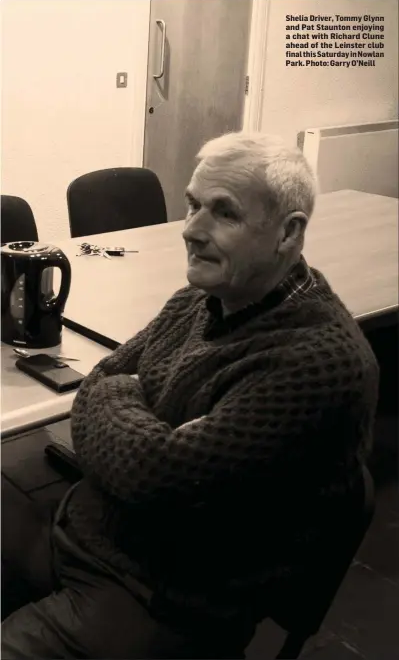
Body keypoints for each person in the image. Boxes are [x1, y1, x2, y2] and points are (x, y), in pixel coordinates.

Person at [1, 132, 379, 659]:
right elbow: (98, 383)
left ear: (288, 233)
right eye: (193, 204)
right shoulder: (199, 298)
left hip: (163, 598)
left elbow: (155, 475)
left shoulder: (318, 362)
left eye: (224, 214)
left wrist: (124, 405)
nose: (192, 230)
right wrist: (131, 408)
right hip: (86, 528)